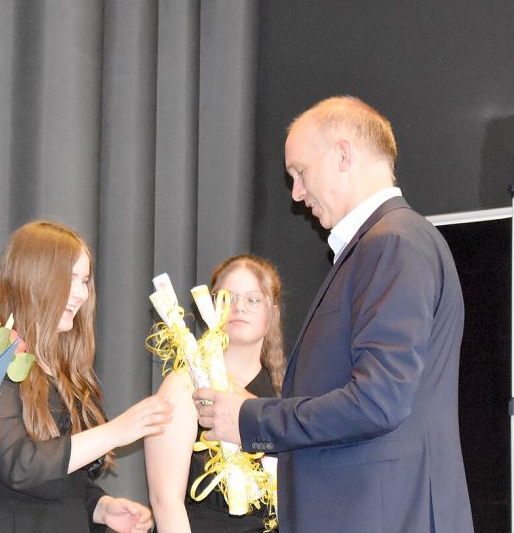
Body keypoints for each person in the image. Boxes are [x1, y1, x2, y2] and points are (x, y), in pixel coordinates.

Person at [194, 96, 474, 532]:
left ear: (343, 155)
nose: (297, 193)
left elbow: (377, 402)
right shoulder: (388, 242)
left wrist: (252, 420)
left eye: (300, 173)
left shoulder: (392, 243)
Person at [0, 220, 172, 533]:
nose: (81, 293)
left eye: (85, 280)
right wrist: (116, 431)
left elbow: (60, 484)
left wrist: (101, 507)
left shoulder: (65, 371)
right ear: (33, 277)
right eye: (70, 278)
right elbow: (21, 466)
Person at [145, 254, 284, 532]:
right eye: (227, 298)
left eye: (253, 299)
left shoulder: (289, 395)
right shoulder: (184, 386)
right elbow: (165, 502)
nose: (239, 308)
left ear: (273, 314)